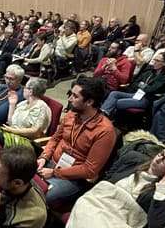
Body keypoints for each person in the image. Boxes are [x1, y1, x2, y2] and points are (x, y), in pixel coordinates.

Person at [37, 78, 117, 206]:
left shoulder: (105, 131)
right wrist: (44, 157)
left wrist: (54, 172)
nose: (69, 100)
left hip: (73, 177)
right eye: (70, 94)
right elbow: (55, 139)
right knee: (22, 178)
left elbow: (90, 170)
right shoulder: (71, 114)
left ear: (89, 102)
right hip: (50, 163)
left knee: (40, 195)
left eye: (75, 96)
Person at [100, 51, 165, 118]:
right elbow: (135, 82)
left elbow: (151, 89)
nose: (154, 62)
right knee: (114, 94)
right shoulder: (150, 71)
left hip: (148, 99)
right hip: (137, 94)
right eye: (154, 59)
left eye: (158, 60)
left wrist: (142, 85)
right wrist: (143, 86)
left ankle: (106, 117)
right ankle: (103, 114)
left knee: (118, 102)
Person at [0, 78, 52, 148]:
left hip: (28, 141)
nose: (23, 89)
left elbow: (35, 132)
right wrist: (12, 105)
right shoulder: (23, 103)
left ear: (30, 91)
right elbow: (11, 123)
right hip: (14, 134)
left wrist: (12, 130)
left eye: (25, 87)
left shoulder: (41, 106)